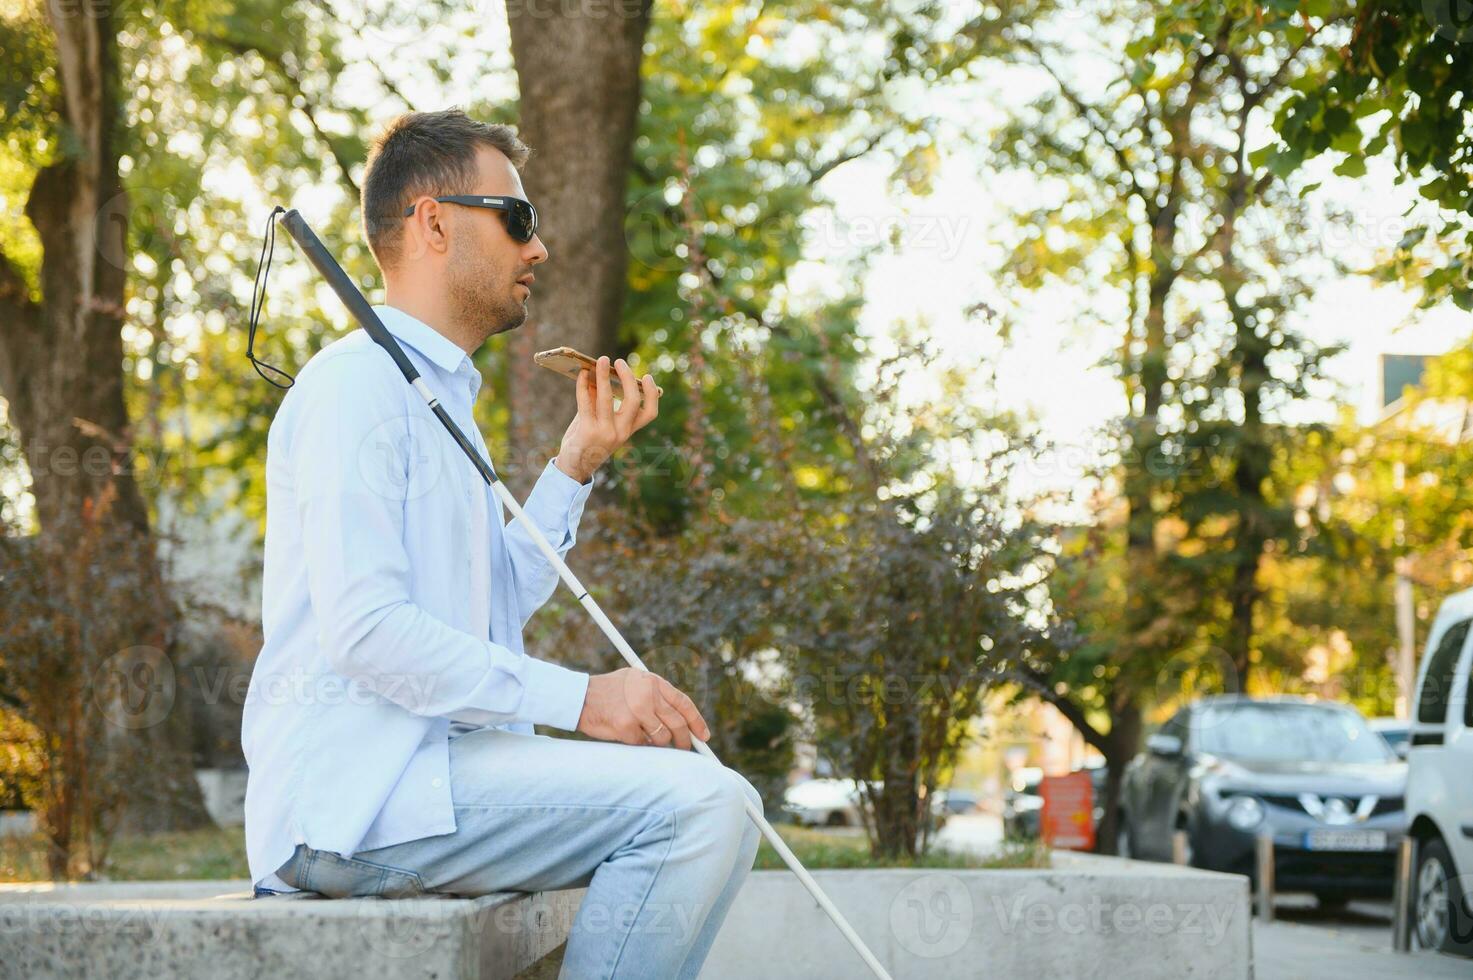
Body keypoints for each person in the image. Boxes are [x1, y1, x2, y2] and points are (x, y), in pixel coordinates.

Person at [242, 109, 762, 980]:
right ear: (435, 222)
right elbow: (366, 631)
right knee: (702, 807)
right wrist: (586, 700)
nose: (539, 249)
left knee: (715, 801)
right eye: (517, 219)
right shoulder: (354, 387)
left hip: (441, 779)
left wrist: (576, 459)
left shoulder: (439, 397)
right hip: (360, 802)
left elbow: (497, 602)